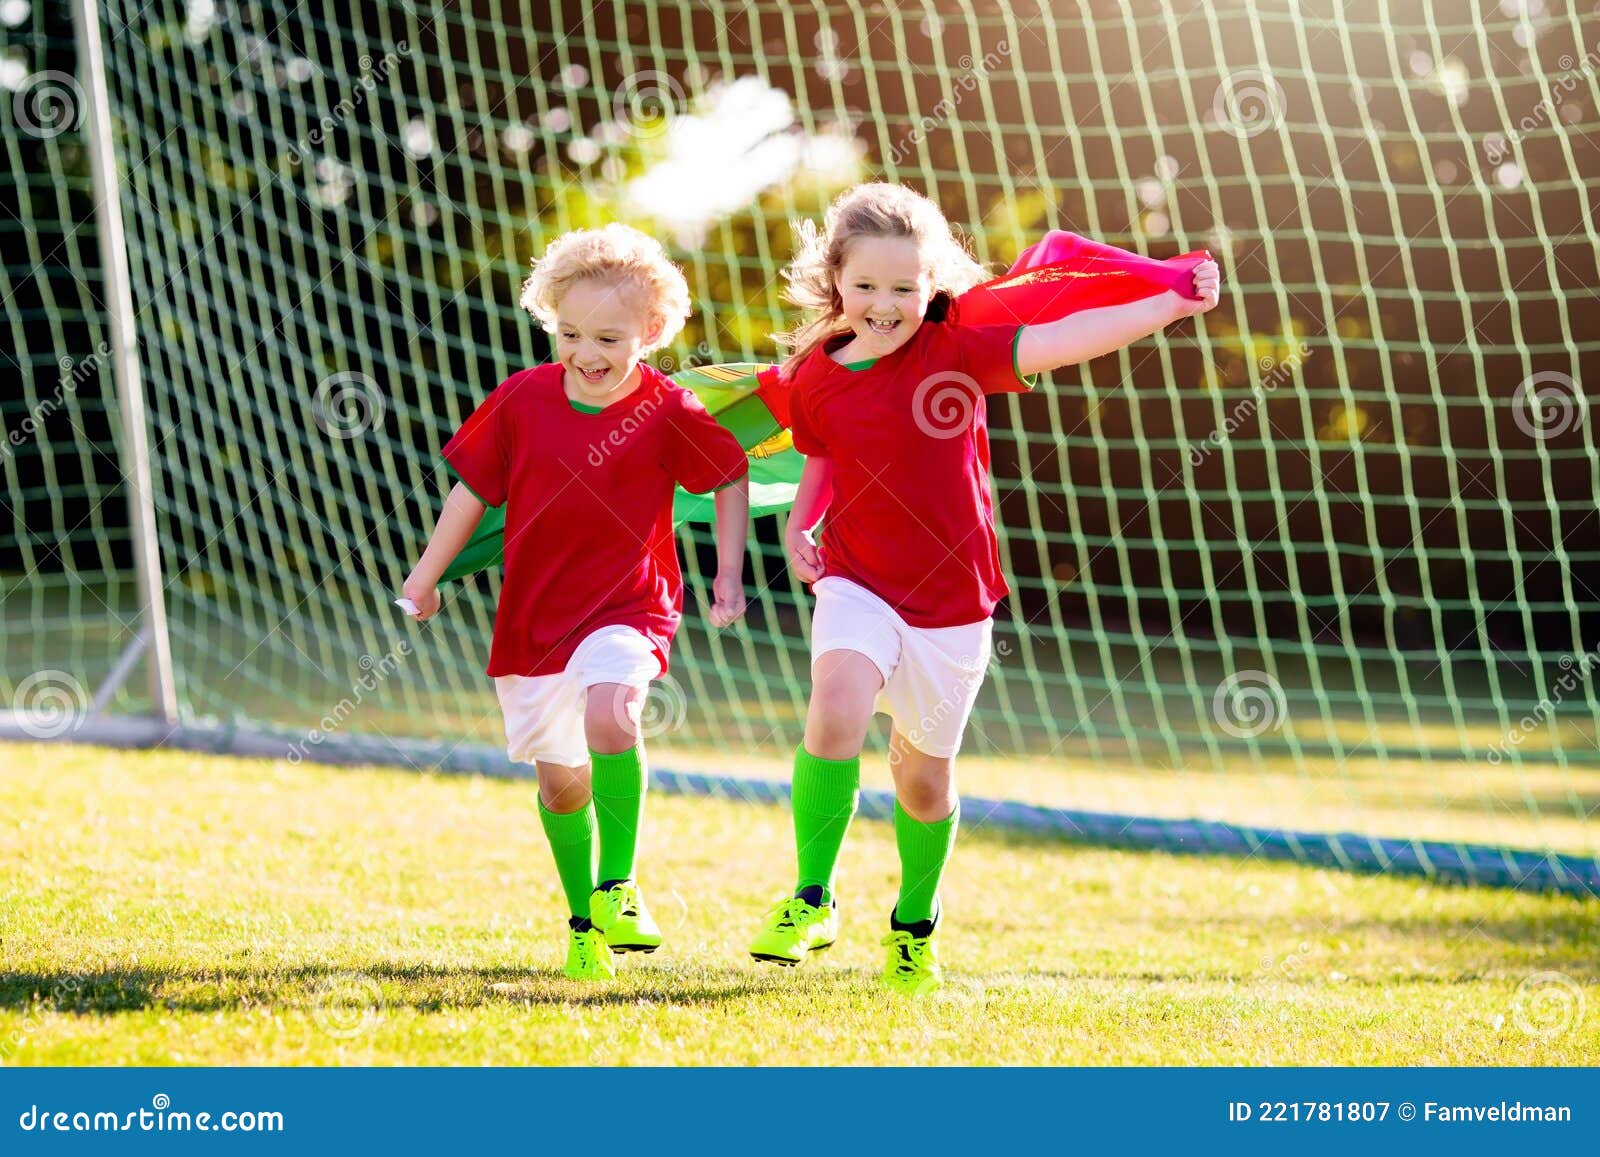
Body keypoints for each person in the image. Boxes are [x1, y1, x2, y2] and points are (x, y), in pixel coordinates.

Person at [747, 184, 1220, 994]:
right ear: (836, 282)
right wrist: (799, 527)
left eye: (904, 287)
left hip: (954, 602)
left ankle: (914, 923)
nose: (885, 304)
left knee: (922, 782)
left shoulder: (957, 352)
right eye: (866, 286)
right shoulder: (815, 377)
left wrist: (1166, 307)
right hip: (858, 581)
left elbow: (1067, 337)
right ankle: (811, 895)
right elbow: (821, 458)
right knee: (835, 708)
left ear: (932, 285)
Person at [403, 224, 751, 980]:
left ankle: (620, 885)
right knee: (562, 783)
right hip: (534, 622)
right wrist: (426, 576)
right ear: (549, 322)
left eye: (608, 337)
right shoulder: (523, 399)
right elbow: (471, 495)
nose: (586, 352)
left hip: (630, 605)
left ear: (650, 332)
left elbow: (727, 473)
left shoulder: (667, 409)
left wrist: (728, 575)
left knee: (612, 714)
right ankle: (583, 922)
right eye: (569, 333)